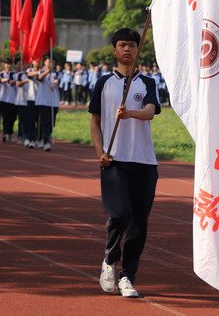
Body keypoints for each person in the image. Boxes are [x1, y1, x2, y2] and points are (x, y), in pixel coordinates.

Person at [89, 27, 161, 299]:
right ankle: (109, 260)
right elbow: (95, 122)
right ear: (115, 50)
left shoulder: (148, 83)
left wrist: (130, 112)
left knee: (139, 223)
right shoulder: (104, 83)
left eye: (132, 44)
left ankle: (127, 277)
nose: (128, 49)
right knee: (120, 213)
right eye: (122, 45)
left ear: (137, 48)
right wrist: (100, 152)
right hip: (115, 160)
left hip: (144, 161)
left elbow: (150, 112)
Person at [34, 57, 60, 151]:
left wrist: (55, 83)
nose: (51, 63)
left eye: (52, 62)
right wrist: (47, 71)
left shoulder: (56, 73)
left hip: (53, 102)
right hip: (43, 101)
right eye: (49, 61)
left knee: (51, 123)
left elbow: (57, 81)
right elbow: (39, 78)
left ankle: (43, 138)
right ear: (45, 62)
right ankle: (46, 142)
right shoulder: (41, 71)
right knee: (45, 122)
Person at [0, 61, 17, 143]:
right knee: (5, 118)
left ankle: (10, 133)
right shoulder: (1, 73)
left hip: (13, 99)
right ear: (4, 65)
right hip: (4, 99)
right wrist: (9, 80)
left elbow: (15, 82)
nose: (8, 65)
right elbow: (2, 80)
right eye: (7, 64)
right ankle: (5, 133)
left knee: (13, 118)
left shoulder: (15, 74)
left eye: (10, 64)